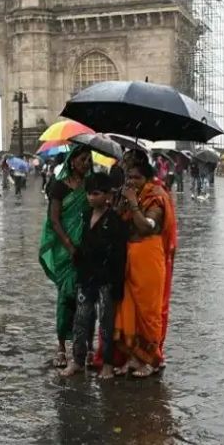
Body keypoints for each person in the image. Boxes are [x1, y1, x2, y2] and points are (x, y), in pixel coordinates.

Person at [61, 172, 127, 378]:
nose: (91, 197)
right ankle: (78, 360)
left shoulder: (115, 221)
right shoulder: (85, 216)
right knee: (81, 320)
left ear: (107, 195)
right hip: (86, 277)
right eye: (88, 193)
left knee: (106, 323)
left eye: (96, 193)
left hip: (106, 279)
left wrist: (117, 285)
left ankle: (107, 363)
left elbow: (119, 255)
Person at [111, 159, 169, 378]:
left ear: (147, 178)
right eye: (130, 177)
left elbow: (146, 226)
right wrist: (121, 206)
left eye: (137, 177)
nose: (133, 181)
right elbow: (119, 223)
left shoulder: (157, 197)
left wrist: (133, 203)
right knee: (130, 310)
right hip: (130, 258)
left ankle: (153, 360)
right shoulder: (129, 196)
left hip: (149, 258)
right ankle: (134, 358)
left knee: (148, 311)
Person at [39, 146, 92, 369]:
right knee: (66, 297)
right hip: (66, 249)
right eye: (82, 159)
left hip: (87, 248)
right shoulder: (59, 187)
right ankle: (61, 346)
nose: (87, 163)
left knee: (88, 298)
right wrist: (69, 245)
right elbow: (54, 219)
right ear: (72, 162)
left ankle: (87, 346)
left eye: (89, 159)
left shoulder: (91, 185)